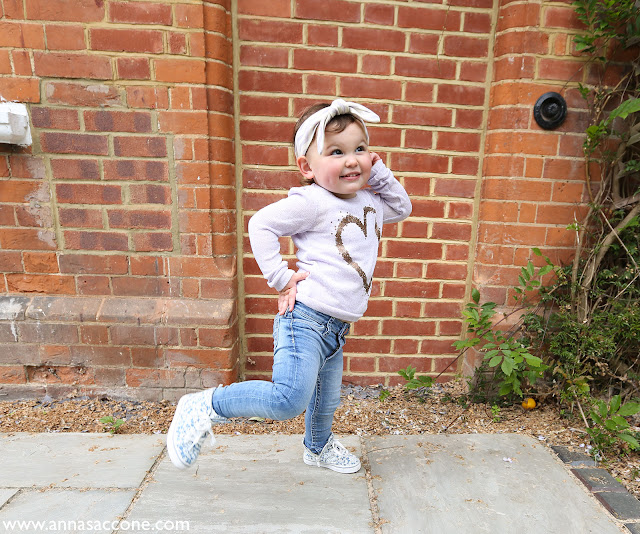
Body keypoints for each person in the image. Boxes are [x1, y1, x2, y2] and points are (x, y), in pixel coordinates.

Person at [167, 99, 412, 473]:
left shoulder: (369, 201)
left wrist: (378, 173)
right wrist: (281, 279)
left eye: (360, 149)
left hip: (336, 327)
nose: (352, 160)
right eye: (336, 152)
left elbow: (403, 207)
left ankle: (318, 447)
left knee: (325, 400)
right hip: (306, 320)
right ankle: (204, 406)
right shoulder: (312, 201)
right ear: (307, 167)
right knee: (287, 399)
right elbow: (261, 225)